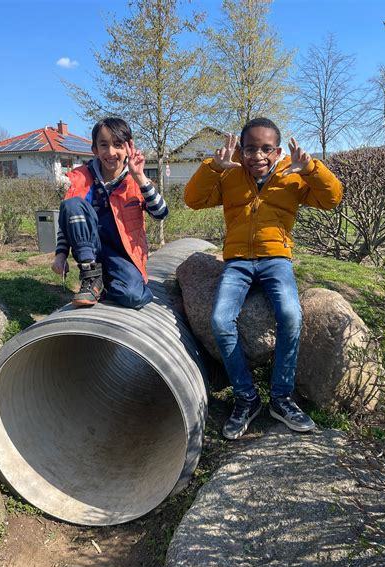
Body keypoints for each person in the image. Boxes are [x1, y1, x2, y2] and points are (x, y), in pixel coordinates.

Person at [184, 117, 343, 440]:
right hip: (238, 262)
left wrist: (311, 168)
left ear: (278, 150)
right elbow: (193, 199)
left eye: (266, 149)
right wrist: (213, 167)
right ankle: (246, 397)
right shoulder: (229, 174)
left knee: (290, 315)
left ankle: (281, 399)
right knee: (220, 320)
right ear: (241, 151)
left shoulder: (292, 175)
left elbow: (332, 198)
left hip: (276, 260)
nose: (258, 156)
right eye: (251, 148)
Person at [51, 117, 168, 308]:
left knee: (133, 297)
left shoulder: (135, 181)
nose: (111, 152)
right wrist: (60, 255)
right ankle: (91, 275)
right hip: (90, 251)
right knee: (72, 205)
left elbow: (161, 213)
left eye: (118, 145)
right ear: (95, 149)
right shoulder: (82, 179)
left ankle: (106, 283)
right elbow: (70, 220)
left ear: (128, 148)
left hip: (122, 254)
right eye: (104, 145)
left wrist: (140, 177)